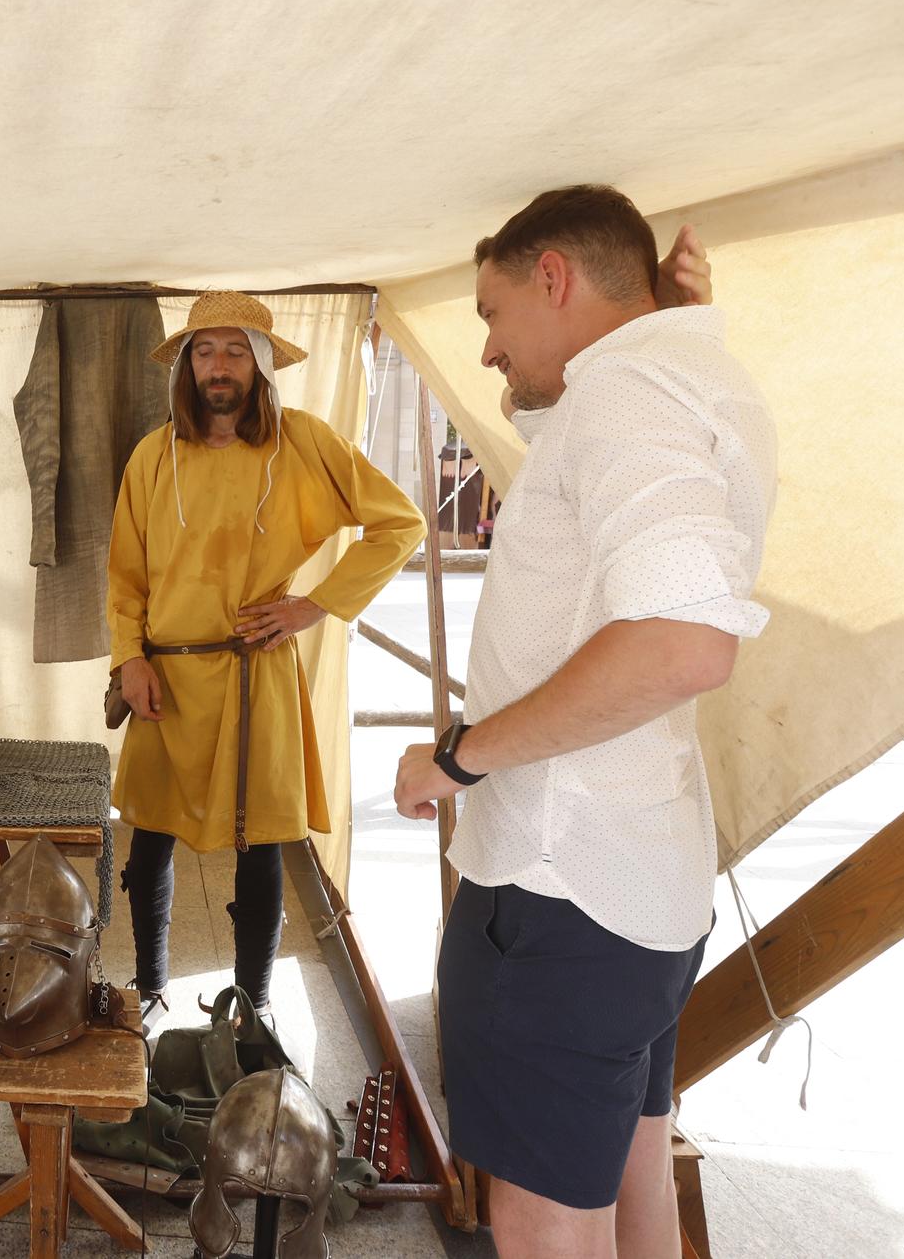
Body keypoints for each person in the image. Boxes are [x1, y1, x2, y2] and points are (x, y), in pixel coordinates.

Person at [394, 187, 772, 1259]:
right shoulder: (684, 377)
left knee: (545, 1221)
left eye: (489, 312)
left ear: (552, 276)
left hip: (559, 894)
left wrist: (458, 758)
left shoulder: (629, 396)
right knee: (629, 1170)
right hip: (635, 882)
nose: (484, 350)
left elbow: (679, 643)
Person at [107, 292, 426, 1016]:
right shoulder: (154, 456)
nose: (219, 365)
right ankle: (151, 987)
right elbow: (125, 574)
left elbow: (398, 524)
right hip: (166, 673)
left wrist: (315, 604)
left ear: (260, 363)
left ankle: (252, 1005)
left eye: (234, 350)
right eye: (204, 350)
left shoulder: (304, 443)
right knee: (149, 838)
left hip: (257, 677)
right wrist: (130, 659)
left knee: (261, 846)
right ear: (187, 364)